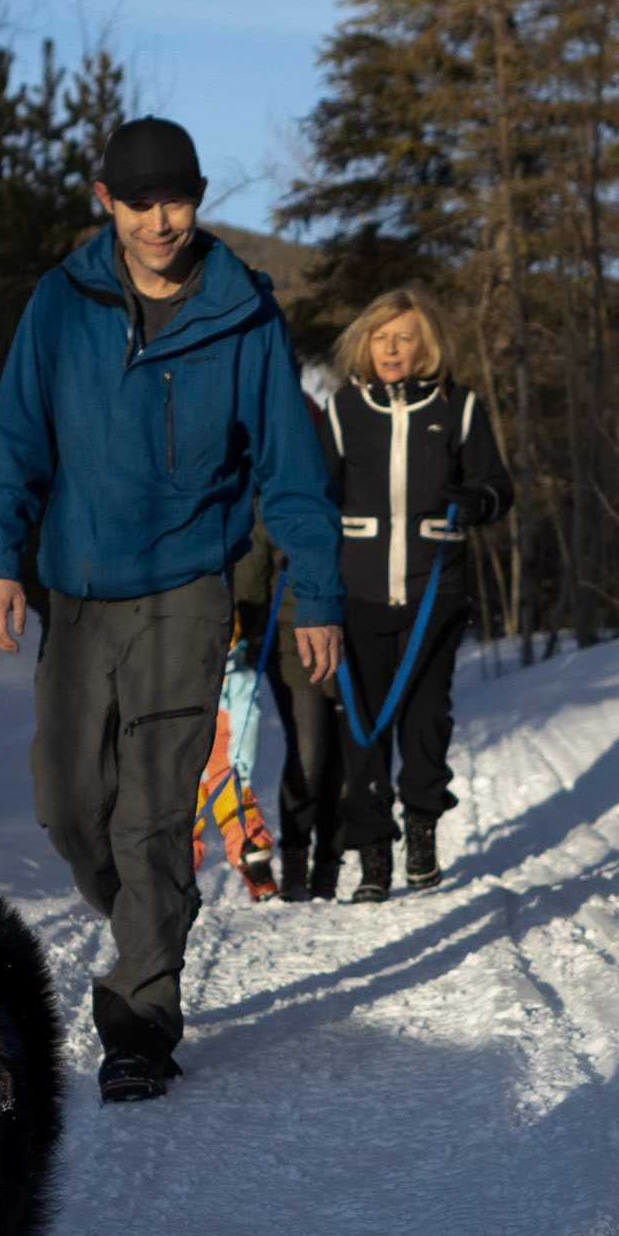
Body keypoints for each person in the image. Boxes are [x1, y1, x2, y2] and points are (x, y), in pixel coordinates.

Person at [0, 115, 344, 1103]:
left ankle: (140, 1017)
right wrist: (0, 561)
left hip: (188, 590)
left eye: (177, 199)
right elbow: (15, 437)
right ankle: (150, 915)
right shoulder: (62, 303)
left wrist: (314, 588)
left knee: (154, 810)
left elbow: (291, 468)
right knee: (65, 799)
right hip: (79, 592)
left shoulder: (244, 314)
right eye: (140, 202)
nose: (161, 221)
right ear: (108, 202)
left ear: (200, 196)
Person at [319, 287, 513, 902]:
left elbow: (497, 487)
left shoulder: (459, 407)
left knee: (427, 722)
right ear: (365, 344)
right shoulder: (344, 411)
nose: (392, 348)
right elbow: (316, 498)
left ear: (426, 344)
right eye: (381, 337)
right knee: (363, 727)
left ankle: (422, 832)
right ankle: (374, 856)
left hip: (435, 591)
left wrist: (476, 500)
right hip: (360, 594)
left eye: (404, 337)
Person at [233, 509, 344, 900]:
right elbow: (253, 563)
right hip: (292, 636)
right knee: (309, 755)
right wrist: (248, 626)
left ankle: (330, 866)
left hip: (355, 629)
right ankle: (296, 861)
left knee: (346, 759)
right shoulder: (283, 477)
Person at [192, 619, 278, 902]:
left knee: (239, 814)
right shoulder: (181, 676)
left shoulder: (238, 680)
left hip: (224, 765)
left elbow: (248, 722)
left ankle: (256, 865)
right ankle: (174, 873)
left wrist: (240, 765)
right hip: (187, 763)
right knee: (180, 819)